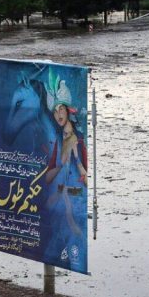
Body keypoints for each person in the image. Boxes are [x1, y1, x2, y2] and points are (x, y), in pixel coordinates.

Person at [43, 79, 88, 267]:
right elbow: (47, 178)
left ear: (69, 111)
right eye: (54, 111)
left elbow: (86, 180)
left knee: (76, 257)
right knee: (51, 253)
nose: (58, 114)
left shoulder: (81, 140)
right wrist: (60, 166)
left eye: (61, 109)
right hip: (59, 210)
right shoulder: (57, 141)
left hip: (76, 207)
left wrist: (77, 160)